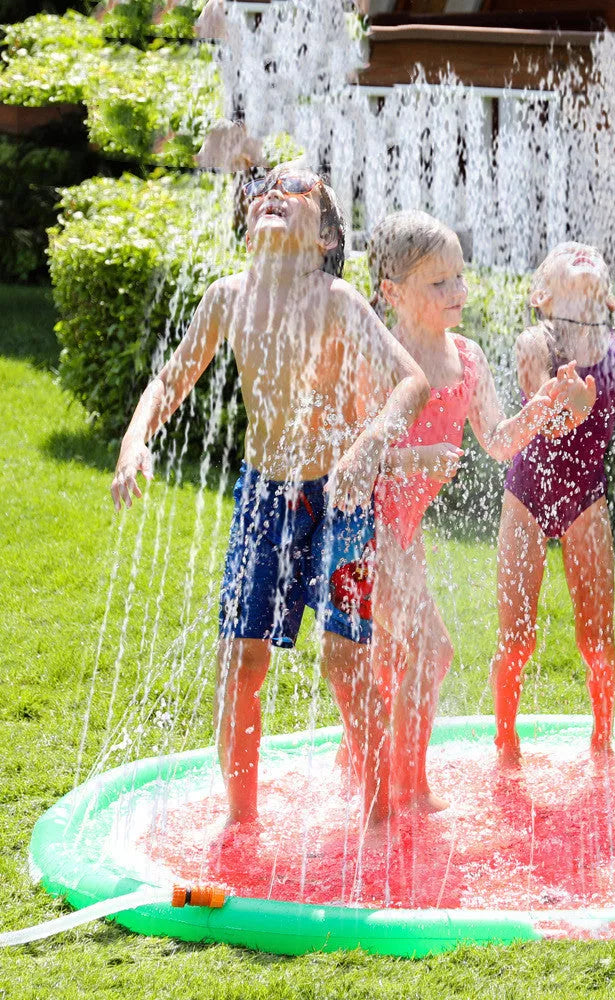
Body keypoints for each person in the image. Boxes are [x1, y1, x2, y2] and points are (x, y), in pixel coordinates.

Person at [110, 163, 430, 830]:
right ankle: (241, 824)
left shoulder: (340, 301)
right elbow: (168, 382)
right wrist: (135, 441)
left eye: (298, 187)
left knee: (345, 659)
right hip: (265, 498)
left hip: (340, 502)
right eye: (262, 187)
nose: (273, 193)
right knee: (240, 659)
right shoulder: (229, 297)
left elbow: (412, 384)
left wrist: (368, 446)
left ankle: (378, 819)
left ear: (325, 237)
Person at [366, 211, 591, 810]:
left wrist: (543, 405)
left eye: (460, 278)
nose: (458, 292)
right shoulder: (378, 356)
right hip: (359, 528)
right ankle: (409, 792)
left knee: (393, 658)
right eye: (439, 283)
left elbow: (496, 441)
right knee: (431, 651)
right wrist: (413, 462)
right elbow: (343, 459)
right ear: (393, 291)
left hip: (401, 532)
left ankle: (372, 782)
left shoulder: (466, 360)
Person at [490, 241, 615, 766]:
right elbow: (548, 420)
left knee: (597, 641)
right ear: (541, 293)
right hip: (526, 496)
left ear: (607, 296)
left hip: (586, 500)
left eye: (593, 255)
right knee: (516, 640)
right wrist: (568, 404)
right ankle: (506, 743)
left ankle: (603, 743)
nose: (582, 250)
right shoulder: (535, 342)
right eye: (565, 253)